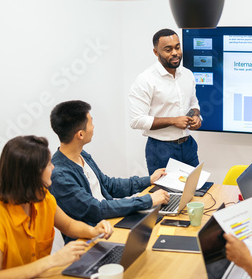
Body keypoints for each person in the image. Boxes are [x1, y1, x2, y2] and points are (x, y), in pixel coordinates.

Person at [0, 136, 114, 279]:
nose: (53, 167)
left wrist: (93, 231)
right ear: (31, 174)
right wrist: (53, 260)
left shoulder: (41, 197)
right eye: (48, 165)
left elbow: (69, 225)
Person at [49, 100, 169, 242]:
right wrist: (147, 200)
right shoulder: (59, 175)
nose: (94, 127)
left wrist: (148, 180)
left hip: (111, 223)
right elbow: (96, 209)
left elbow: (109, 185)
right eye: (91, 123)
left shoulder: (82, 156)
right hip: (93, 238)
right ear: (80, 134)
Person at [129, 28, 202, 175]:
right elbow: (136, 121)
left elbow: (194, 105)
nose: (175, 53)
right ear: (156, 52)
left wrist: (196, 117)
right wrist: (173, 121)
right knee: (165, 196)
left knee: (195, 192)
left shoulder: (187, 75)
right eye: (168, 49)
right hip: (160, 150)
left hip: (188, 145)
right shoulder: (145, 80)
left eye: (177, 47)